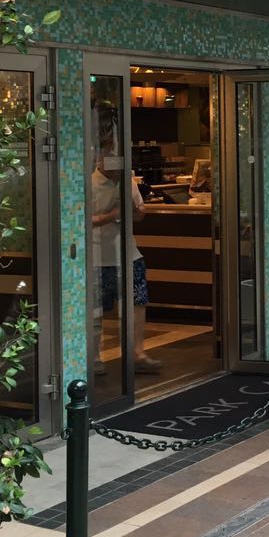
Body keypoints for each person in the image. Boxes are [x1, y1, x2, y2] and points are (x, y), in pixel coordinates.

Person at [89, 156, 163, 375]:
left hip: (130, 254)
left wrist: (134, 208)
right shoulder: (87, 183)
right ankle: (93, 358)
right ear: (100, 161)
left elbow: (139, 215)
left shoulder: (127, 182)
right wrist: (113, 215)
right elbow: (80, 220)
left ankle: (137, 354)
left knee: (137, 304)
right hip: (97, 256)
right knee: (95, 310)